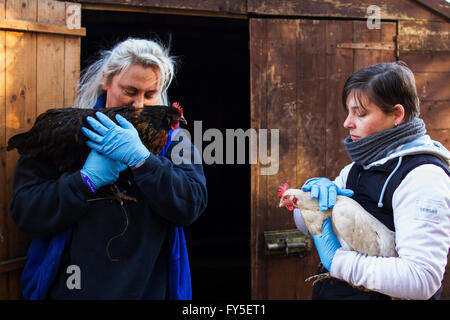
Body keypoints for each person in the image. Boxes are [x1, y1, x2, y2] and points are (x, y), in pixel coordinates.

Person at [10, 38, 207, 299]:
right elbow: (26, 211)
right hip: (75, 289)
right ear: (106, 80)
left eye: (150, 94)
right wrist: (84, 181)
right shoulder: (70, 132)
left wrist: (144, 162)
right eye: (130, 91)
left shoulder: (175, 141)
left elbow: (191, 205)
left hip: (146, 288)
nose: (139, 104)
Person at [294, 61, 450, 300]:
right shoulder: (358, 168)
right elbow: (306, 225)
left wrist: (337, 262)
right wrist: (306, 197)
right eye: (348, 112)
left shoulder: (423, 176)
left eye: (360, 113)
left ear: (397, 114)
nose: (348, 122)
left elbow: (422, 278)